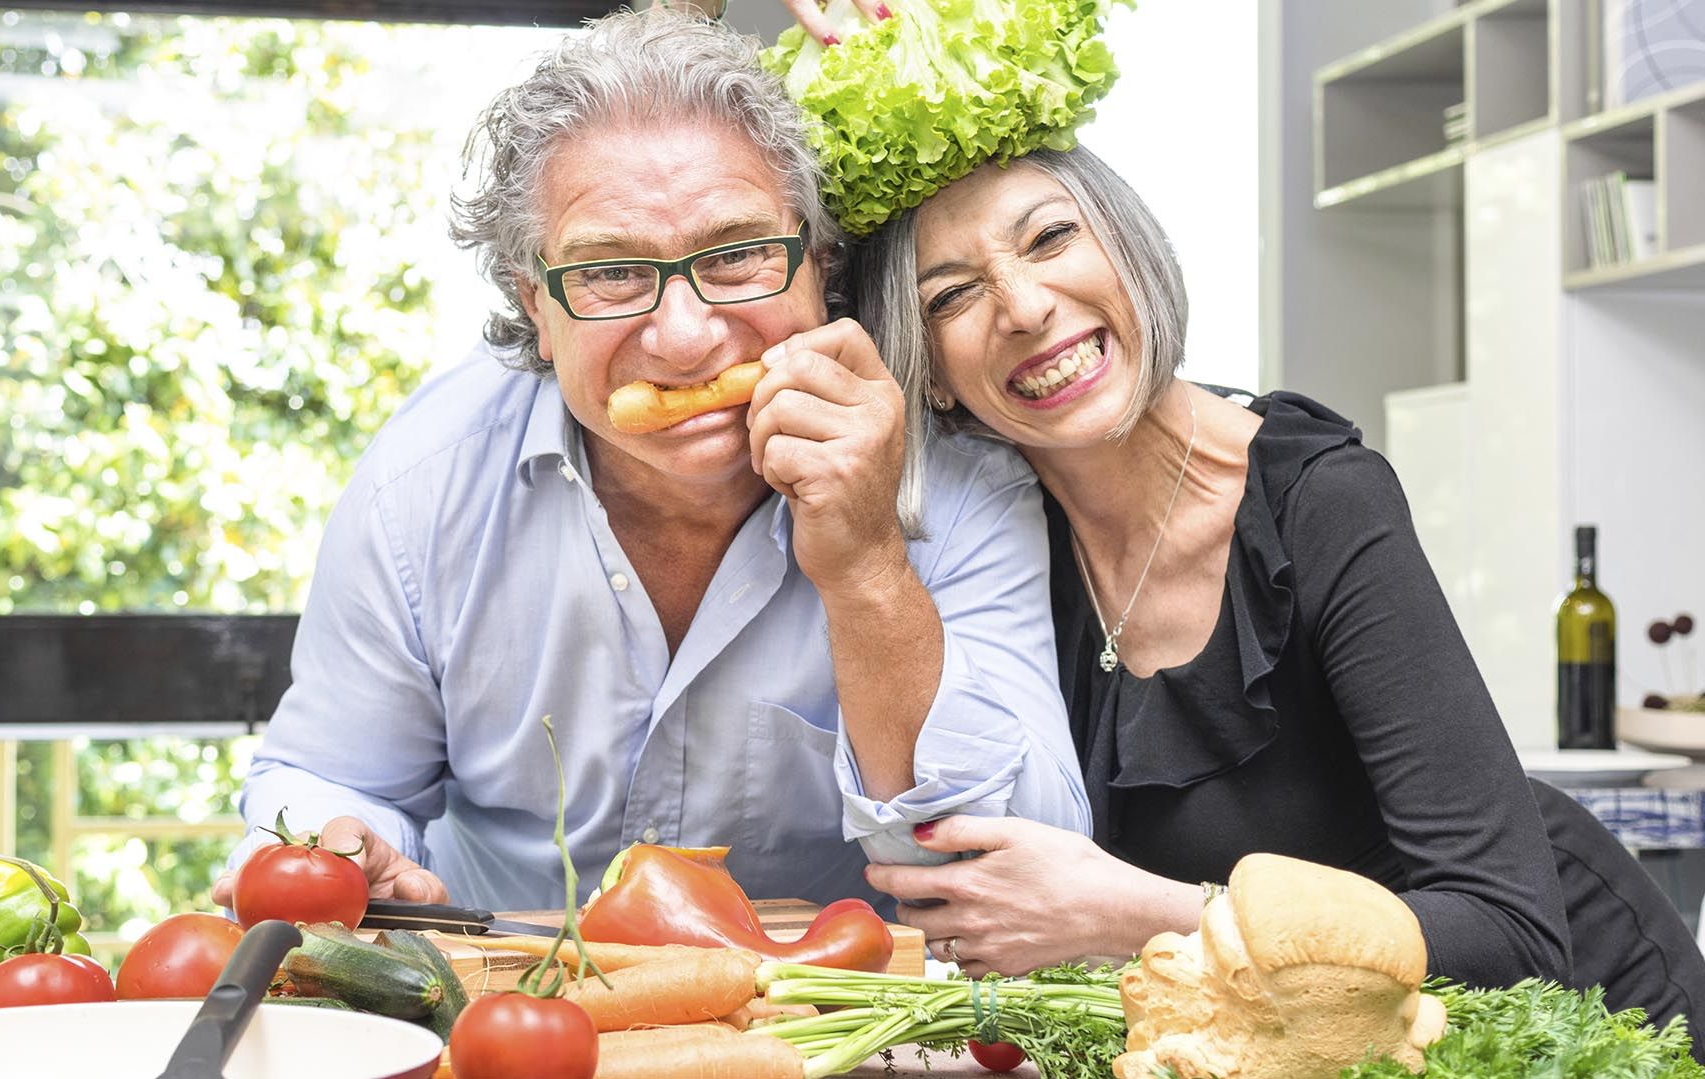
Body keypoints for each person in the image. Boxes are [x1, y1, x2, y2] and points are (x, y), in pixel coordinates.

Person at [211, 8, 1090, 916]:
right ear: (535, 307)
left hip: (821, 1031)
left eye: (741, 255)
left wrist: (868, 566)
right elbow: (333, 776)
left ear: (817, 264)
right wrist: (341, 844)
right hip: (509, 1017)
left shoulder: (959, 481)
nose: (683, 338)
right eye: (611, 274)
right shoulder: (422, 485)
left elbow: (1026, 871)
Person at [821, 138, 1705, 1035]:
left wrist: (1139, 911)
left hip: (1585, 1023)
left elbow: (1512, 934)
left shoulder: (1317, 498)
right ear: (928, 373)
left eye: (1049, 238)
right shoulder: (994, 552)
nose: (1023, 306)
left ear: (1129, 250)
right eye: (953, 295)